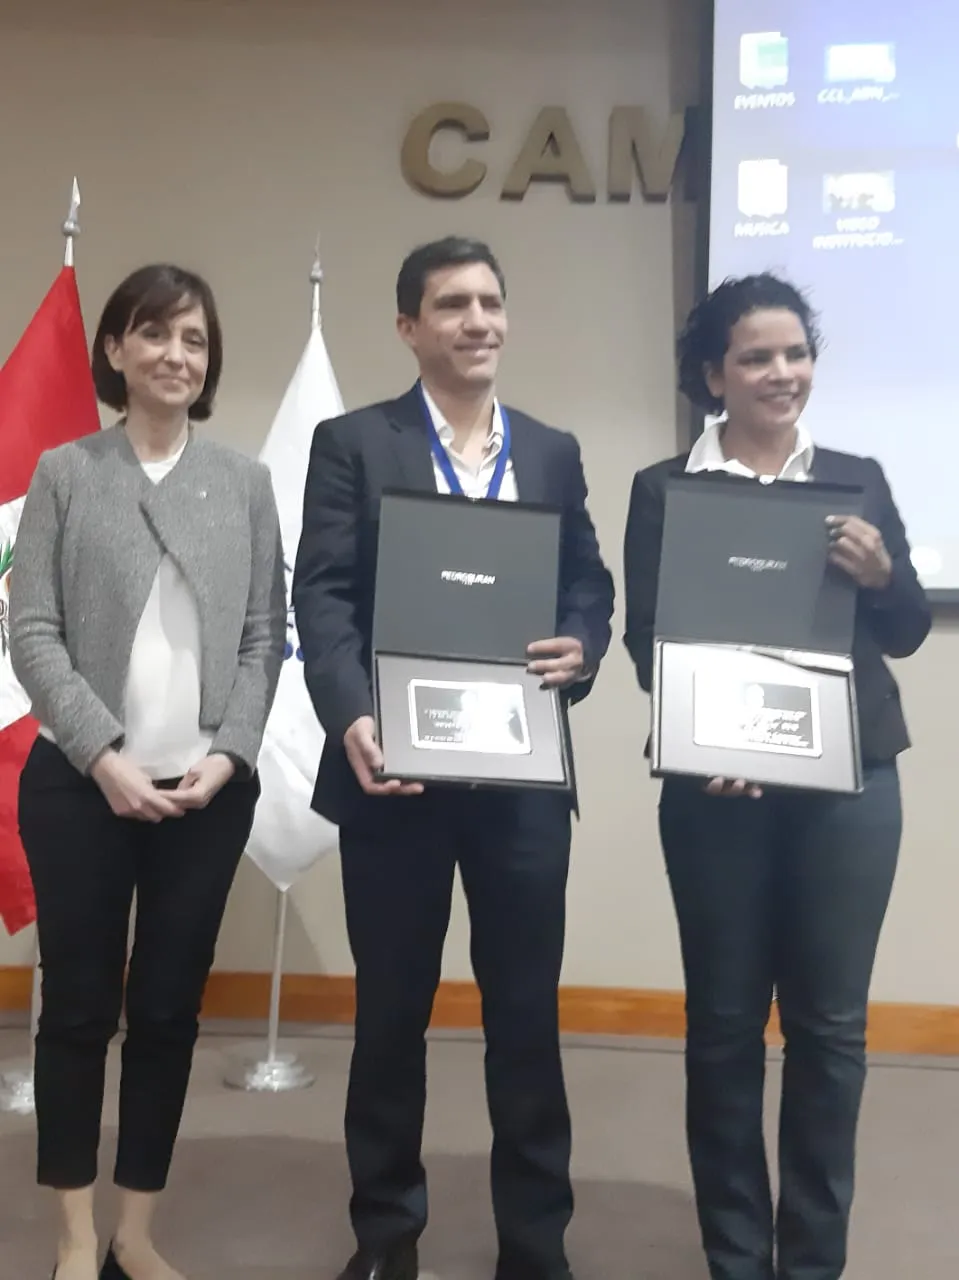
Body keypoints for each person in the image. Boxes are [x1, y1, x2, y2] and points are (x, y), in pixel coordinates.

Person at [293, 236, 615, 1280]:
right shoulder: (354, 442)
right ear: (408, 327)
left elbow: (587, 582)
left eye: (489, 301)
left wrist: (583, 643)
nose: (477, 320)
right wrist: (349, 714)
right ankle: (387, 1236)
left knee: (524, 1018)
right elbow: (322, 594)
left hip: (521, 782)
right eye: (451, 304)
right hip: (396, 774)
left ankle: (535, 1242)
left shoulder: (551, 450)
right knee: (390, 1018)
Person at [623, 273, 931, 1280]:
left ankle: (809, 1261)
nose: (781, 372)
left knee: (829, 1029)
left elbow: (905, 630)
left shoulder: (853, 477)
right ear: (713, 375)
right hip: (714, 791)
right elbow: (647, 640)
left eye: (795, 352)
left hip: (849, 785)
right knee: (721, 1027)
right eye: (755, 356)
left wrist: (882, 575)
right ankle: (733, 1258)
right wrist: (705, 737)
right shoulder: (663, 488)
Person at [9, 264, 286, 1280]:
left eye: (196, 339)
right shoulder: (65, 471)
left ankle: (135, 1229)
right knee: (79, 1009)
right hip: (78, 787)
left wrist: (229, 754)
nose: (178, 355)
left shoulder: (244, 482)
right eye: (157, 333)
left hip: (204, 796)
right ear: (116, 348)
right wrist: (102, 754)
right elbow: (30, 630)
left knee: (168, 1011)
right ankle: (75, 1234)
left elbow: (263, 635)